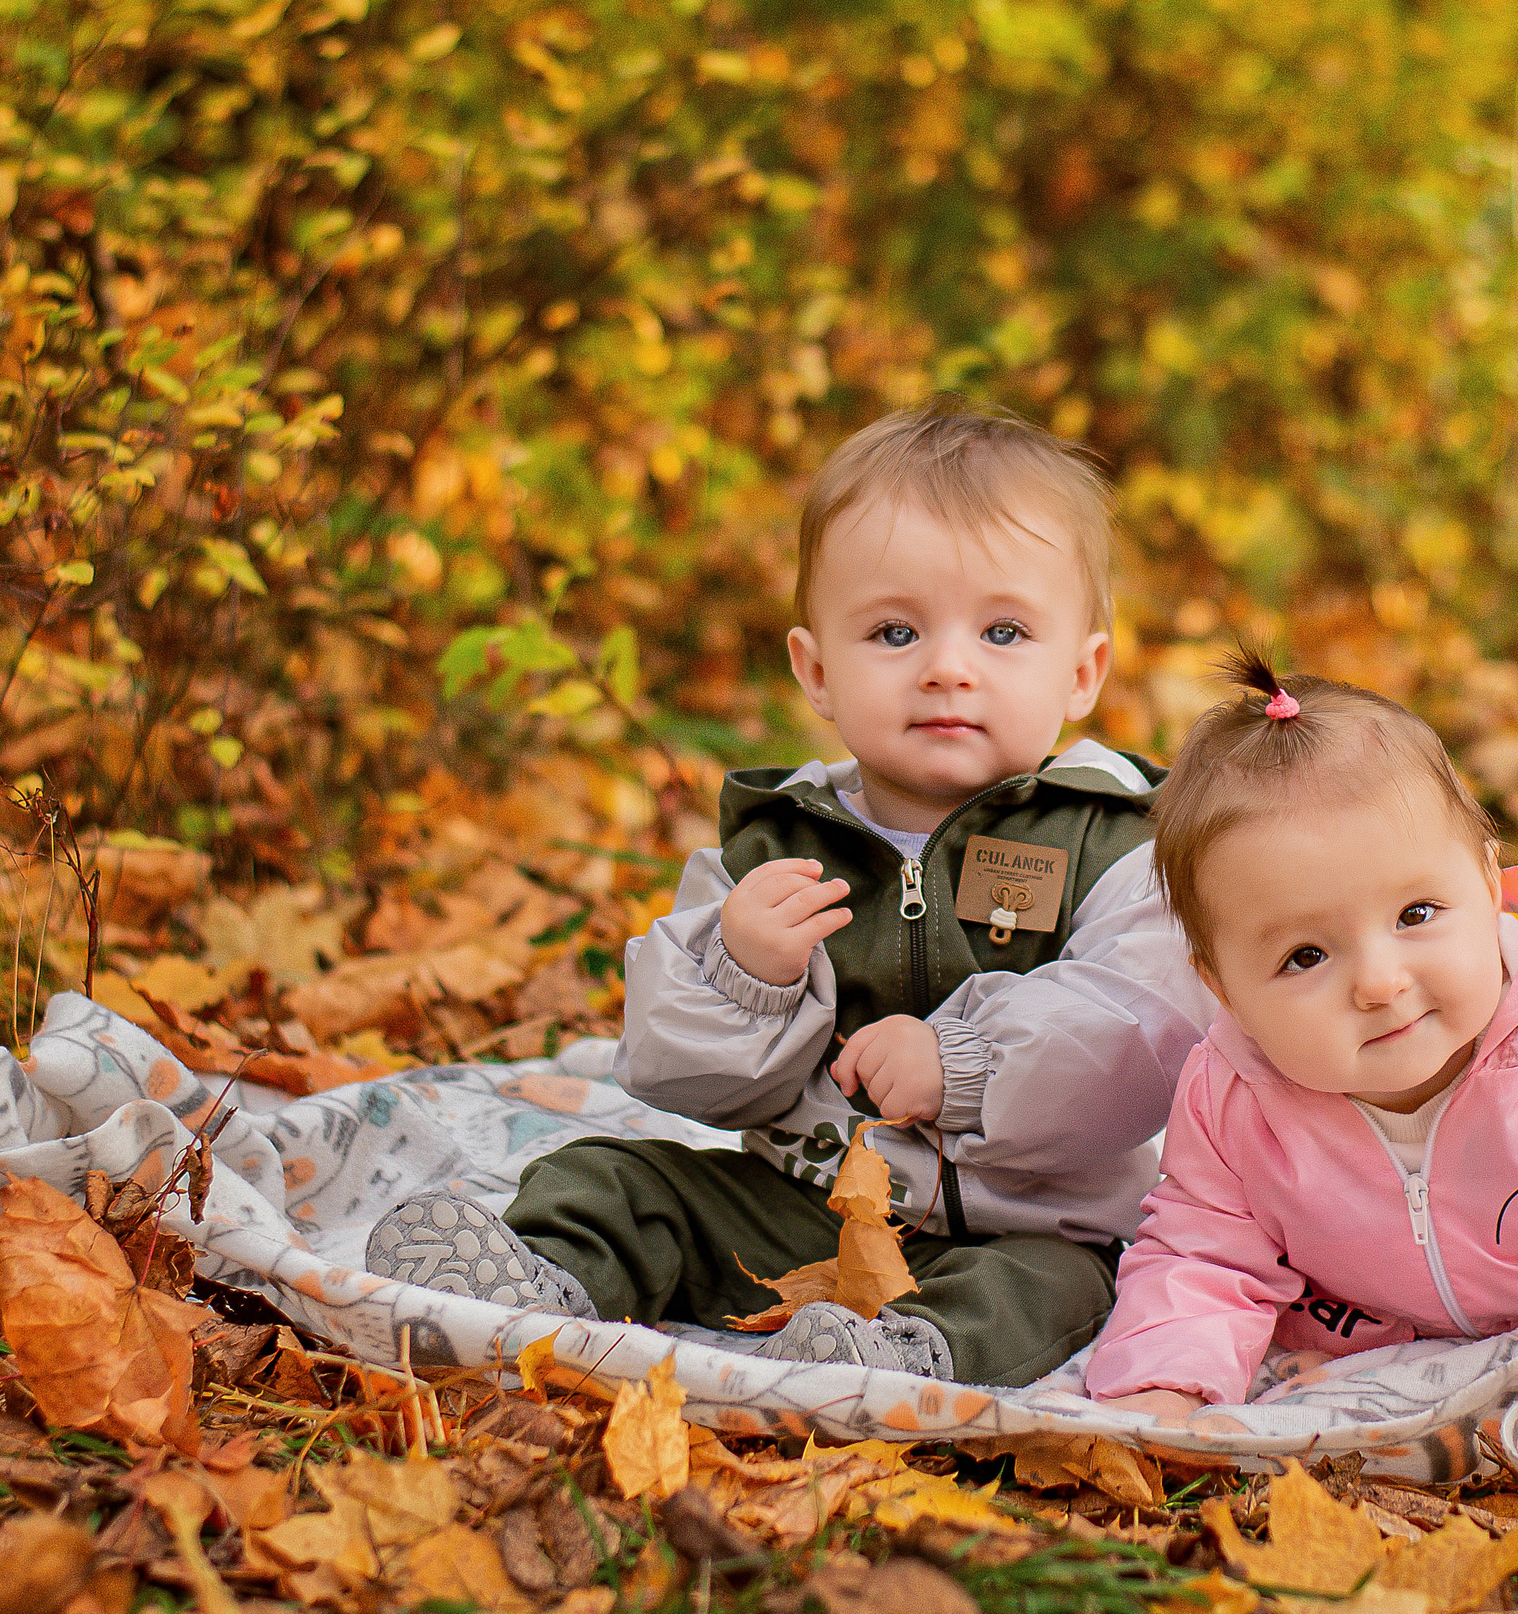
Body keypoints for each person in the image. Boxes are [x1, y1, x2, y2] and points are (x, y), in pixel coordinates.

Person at [368, 400, 1214, 1385]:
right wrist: (745, 975)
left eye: (1003, 631)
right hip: (800, 1202)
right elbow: (674, 1072)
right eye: (895, 631)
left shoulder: (1114, 841)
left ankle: (905, 1355)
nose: (947, 667)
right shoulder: (781, 840)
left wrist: (969, 1064)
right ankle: (528, 1279)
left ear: (1082, 673)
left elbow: (1145, 1031)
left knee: (1061, 1287)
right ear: (816, 670)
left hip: (1029, 1218)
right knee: (617, 1176)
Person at [1081, 657, 1518, 1469]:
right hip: (1377, 1326)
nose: (1378, 981)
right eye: (1306, 956)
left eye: (1416, 913)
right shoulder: (1234, 1099)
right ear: (1221, 987)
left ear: (1488, 886)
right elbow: (1201, 1253)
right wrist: (1168, 1380)